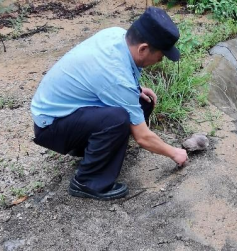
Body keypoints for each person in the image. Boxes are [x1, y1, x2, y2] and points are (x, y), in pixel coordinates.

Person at [30, 7, 188, 201]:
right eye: (160, 55)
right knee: (118, 119)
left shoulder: (116, 35)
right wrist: (175, 153)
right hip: (52, 126)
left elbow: (108, 78)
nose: (160, 60)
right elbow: (143, 138)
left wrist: (135, 90)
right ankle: (87, 182)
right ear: (143, 49)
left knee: (142, 102)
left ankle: (100, 152)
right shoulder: (115, 74)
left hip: (69, 111)